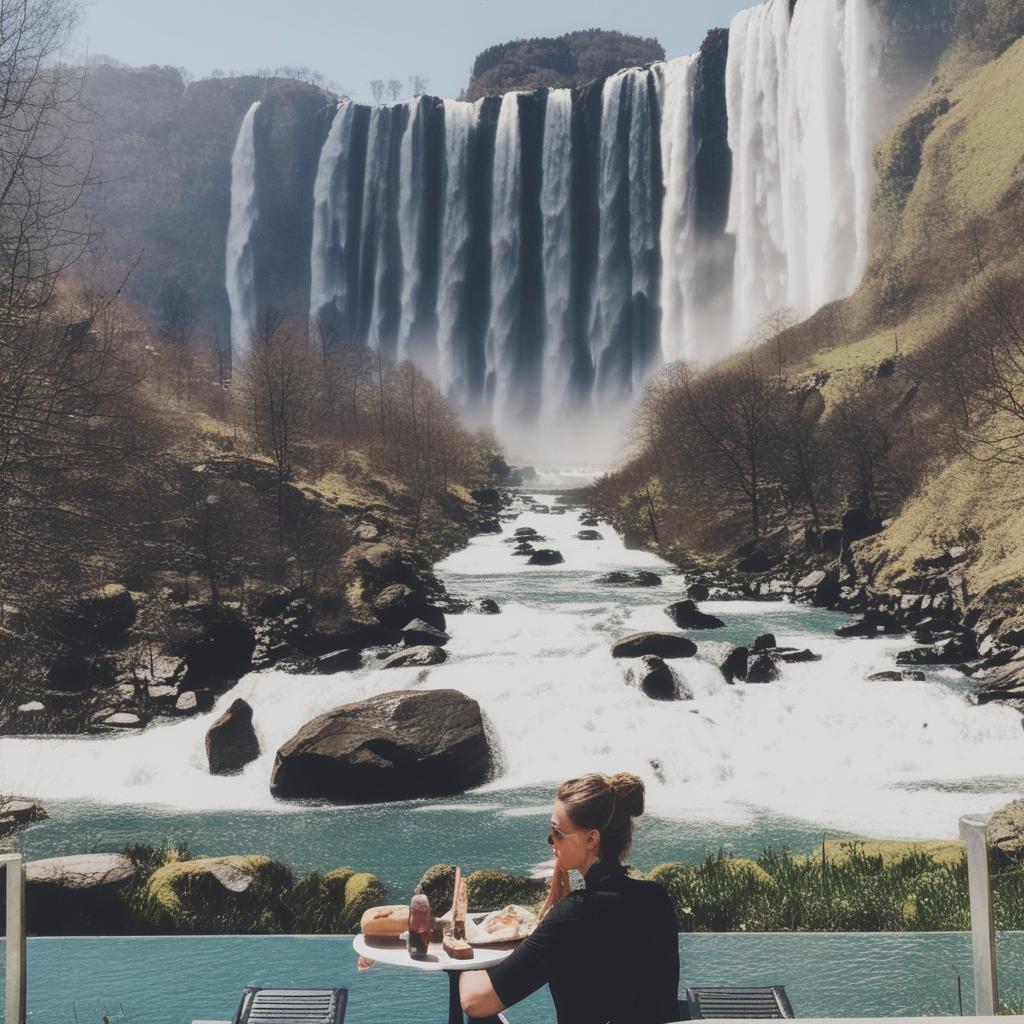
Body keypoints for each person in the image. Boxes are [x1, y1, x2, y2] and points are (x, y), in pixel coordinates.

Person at [460, 772, 680, 1023]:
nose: (550, 840)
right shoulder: (656, 898)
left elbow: (474, 1001)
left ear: (591, 839)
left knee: (482, 1017)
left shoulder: (576, 913)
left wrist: (464, 960)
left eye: (558, 833)